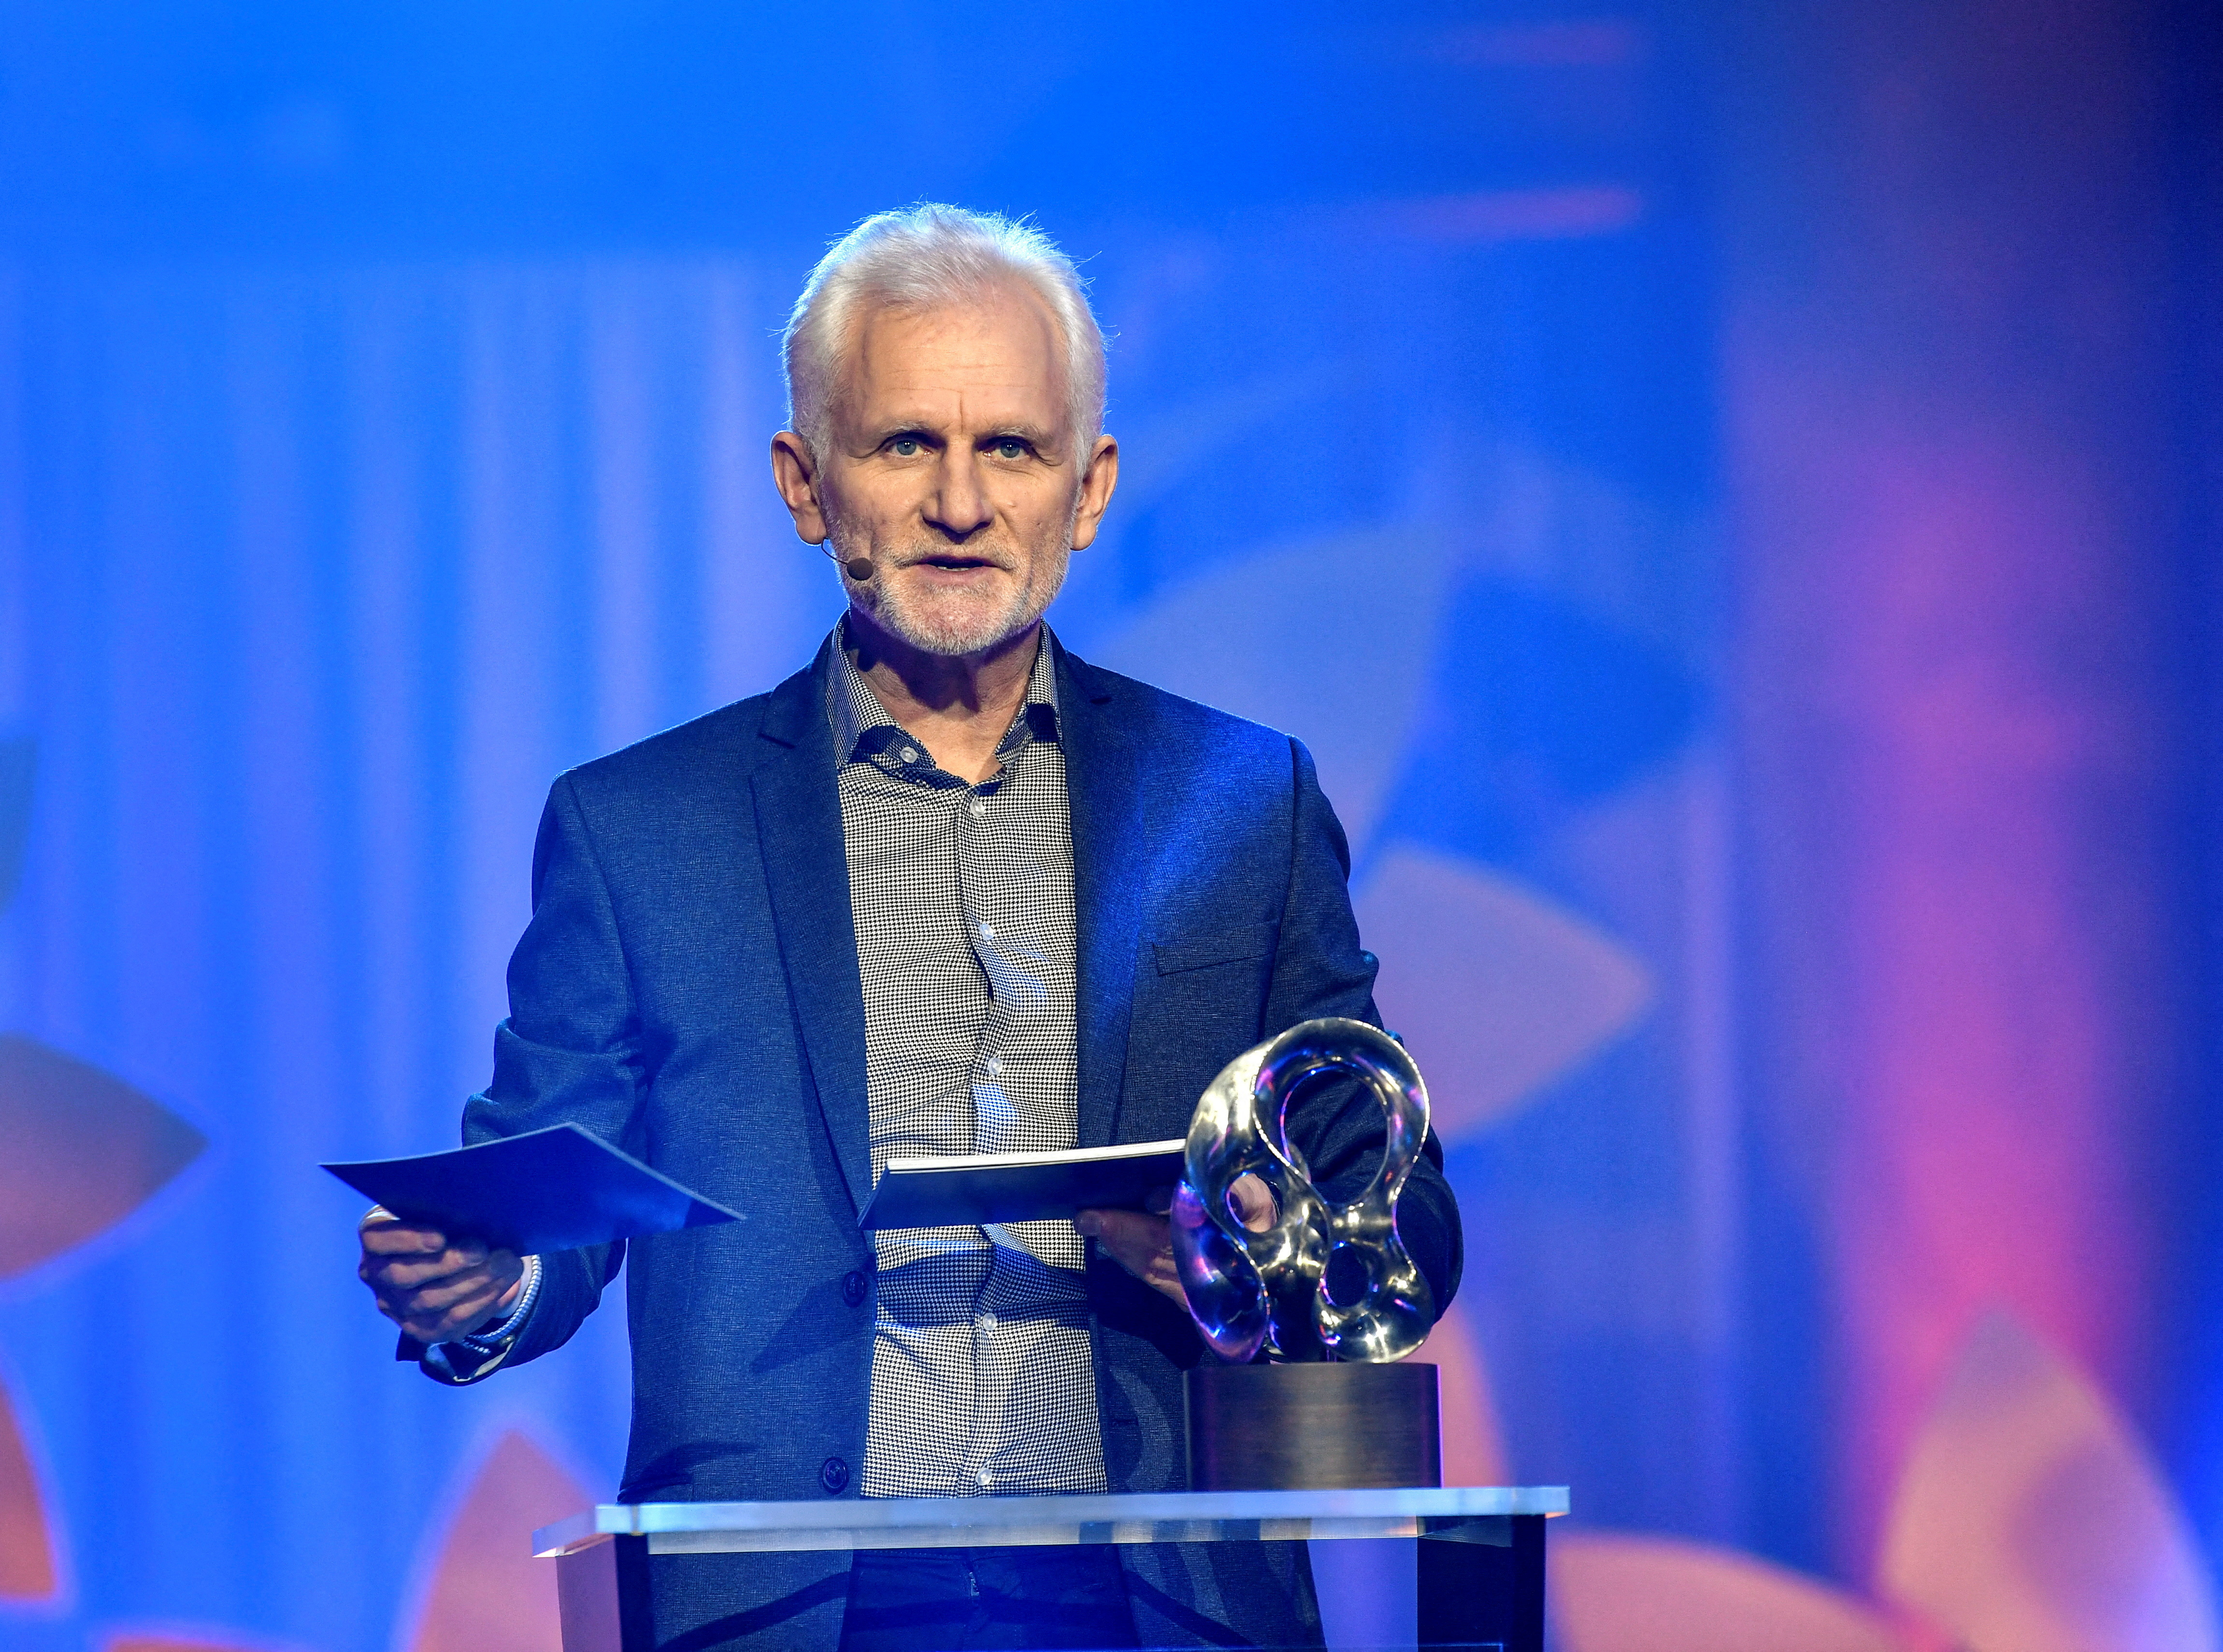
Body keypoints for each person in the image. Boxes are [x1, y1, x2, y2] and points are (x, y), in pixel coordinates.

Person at [357, 204, 1463, 1651]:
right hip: (787, 1602)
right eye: (902, 446)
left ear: (1088, 485)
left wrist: (1272, 1238)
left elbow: (1398, 1203)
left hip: (1160, 1594)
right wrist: (487, 1277)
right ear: (805, 483)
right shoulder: (641, 829)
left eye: (1010, 445)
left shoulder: (1240, 798)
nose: (960, 502)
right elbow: (544, 1210)